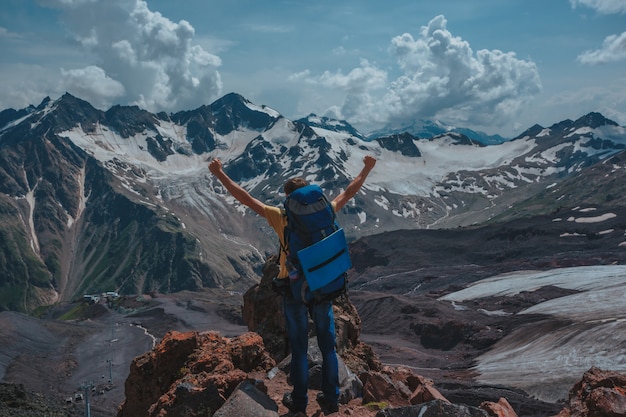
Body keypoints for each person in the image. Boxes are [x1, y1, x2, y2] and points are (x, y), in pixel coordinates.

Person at [209, 155, 376, 415]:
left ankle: (298, 403)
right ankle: (331, 401)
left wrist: (219, 173)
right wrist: (366, 168)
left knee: (298, 348)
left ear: (289, 198)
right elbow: (350, 190)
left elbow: (245, 198)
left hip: (294, 287)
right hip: (323, 284)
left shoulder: (281, 216)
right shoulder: (327, 210)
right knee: (327, 346)